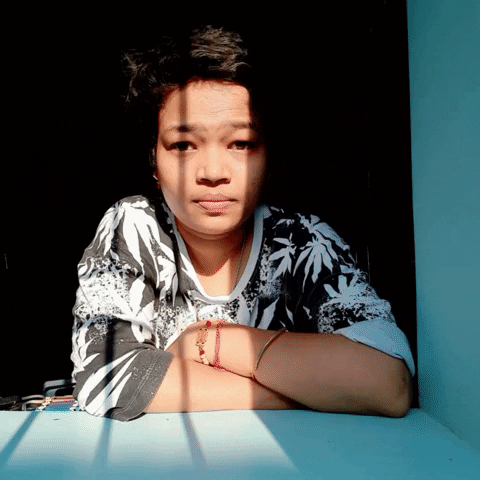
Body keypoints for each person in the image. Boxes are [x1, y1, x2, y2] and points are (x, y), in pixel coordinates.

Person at [70, 26, 415, 421]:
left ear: (267, 156)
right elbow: (107, 377)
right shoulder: (134, 228)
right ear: (154, 163)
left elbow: (388, 383)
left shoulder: (303, 242)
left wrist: (212, 342)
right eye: (183, 145)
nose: (213, 172)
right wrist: (312, 392)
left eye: (241, 144)